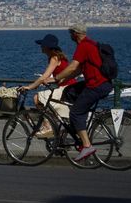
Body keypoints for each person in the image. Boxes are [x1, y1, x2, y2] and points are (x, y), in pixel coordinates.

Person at [48, 24, 113, 162]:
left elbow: (72, 66)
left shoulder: (83, 46)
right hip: (100, 83)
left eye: (70, 33)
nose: (70, 35)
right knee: (69, 91)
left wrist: (55, 78)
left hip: (96, 85)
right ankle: (76, 126)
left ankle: (87, 145)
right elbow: (78, 70)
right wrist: (62, 81)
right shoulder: (91, 44)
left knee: (76, 112)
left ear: (75, 34)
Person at [17, 34, 77, 138]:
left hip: (66, 87)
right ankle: (53, 127)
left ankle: (47, 126)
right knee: (49, 105)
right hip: (67, 86)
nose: (41, 47)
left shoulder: (54, 58)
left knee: (37, 98)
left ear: (47, 47)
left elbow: (44, 76)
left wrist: (30, 87)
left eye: (42, 45)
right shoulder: (57, 57)